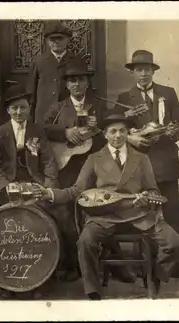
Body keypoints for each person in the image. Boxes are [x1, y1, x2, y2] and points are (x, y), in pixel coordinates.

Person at [39, 113, 179, 300]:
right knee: (85, 241)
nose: (118, 136)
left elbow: (153, 191)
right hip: (104, 216)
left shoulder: (141, 158)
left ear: (127, 133)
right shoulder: (94, 159)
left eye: (122, 131)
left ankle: (157, 273)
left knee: (176, 244)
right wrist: (49, 193)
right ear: (105, 135)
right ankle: (93, 292)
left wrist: (146, 198)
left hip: (139, 214)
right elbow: (76, 191)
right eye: (113, 131)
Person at [42, 58, 135, 283]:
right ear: (67, 85)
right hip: (67, 167)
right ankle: (74, 263)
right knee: (65, 214)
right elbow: (42, 128)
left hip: (96, 167)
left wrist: (100, 125)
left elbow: (114, 130)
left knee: (101, 209)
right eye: (72, 81)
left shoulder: (100, 105)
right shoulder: (58, 107)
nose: (76, 85)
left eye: (80, 80)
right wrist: (64, 133)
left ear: (87, 83)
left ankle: (114, 263)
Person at [116, 49, 179, 282]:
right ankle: (146, 266)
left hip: (166, 163)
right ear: (133, 73)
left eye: (146, 69)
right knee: (143, 215)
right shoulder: (124, 98)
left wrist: (176, 131)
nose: (142, 74)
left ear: (153, 71)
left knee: (173, 215)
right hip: (139, 167)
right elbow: (116, 131)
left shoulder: (168, 93)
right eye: (138, 70)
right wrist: (131, 138)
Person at [0, 84, 71, 297]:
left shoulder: (37, 130)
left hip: (35, 183)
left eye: (23, 108)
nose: (19, 112)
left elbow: (49, 161)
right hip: (7, 184)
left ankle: (55, 269)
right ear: (8, 110)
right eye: (14, 108)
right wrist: (6, 185)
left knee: (62, 214)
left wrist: (48, 186)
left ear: (28, 108)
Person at [26, 22, 81, 124]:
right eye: (52, 39)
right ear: (47, 41)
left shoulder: (76, 61)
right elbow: (31, 91)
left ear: (68, 40)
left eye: (60, 39)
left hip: (69, 112)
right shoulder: (39, 61)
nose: (55, 42)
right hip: (44, 112)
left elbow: (84, 88)